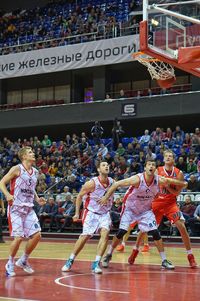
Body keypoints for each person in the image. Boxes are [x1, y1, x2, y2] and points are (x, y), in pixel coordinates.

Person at [99, 160, 187, 269]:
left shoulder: (159, 180)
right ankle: (109, 254)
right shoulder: (137, 179)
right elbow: (117, 184)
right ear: (145, 168)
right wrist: (105, 197)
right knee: (122, 231)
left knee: (155, 233)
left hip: (145, 210)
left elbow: (173, 181)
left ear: (155, 169)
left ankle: (164, 260)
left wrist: (183, 183)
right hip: (130, 209)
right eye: (149, 164)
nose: (151, 166)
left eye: (153, 165)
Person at [61, 160, 114, 274]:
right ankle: (70, 259)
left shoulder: (113, 182)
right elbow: (79, 196)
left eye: (107, 165)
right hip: (91, 213)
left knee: (105, 235)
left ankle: (96, 263)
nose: (106, 166)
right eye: (103, 165)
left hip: (105, 213)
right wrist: (76, 213)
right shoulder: (92, 183)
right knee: (85, 237)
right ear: (99, 169)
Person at [0, 146, 46, 277]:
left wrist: (37, 198)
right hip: (15, 209)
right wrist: (8, 195)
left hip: (28, 208)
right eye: (30, 152)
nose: (33, 154)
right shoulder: (17, 169)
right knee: (18, 237)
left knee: (37, 235)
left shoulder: (36, 172)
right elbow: (1, 183)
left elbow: (31, 188)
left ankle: (23, 260)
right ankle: (10, 263)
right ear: (24, 156)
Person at [152, 150, 197, 268]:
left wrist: (167, 186)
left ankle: (190, 256)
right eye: (166, 156)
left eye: (170, 156)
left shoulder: (178, 173)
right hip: (157, 202)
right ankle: (135, 251)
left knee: (181, 226)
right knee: (145, 229)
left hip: (170, 204)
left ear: (173, 159)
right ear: (163, 159)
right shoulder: (157, 170)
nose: (167, 157)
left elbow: (177, 193)